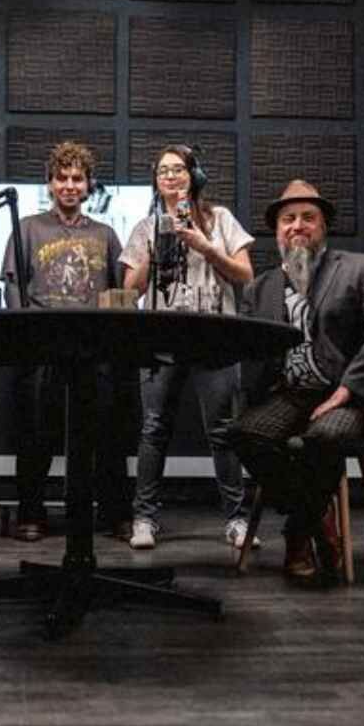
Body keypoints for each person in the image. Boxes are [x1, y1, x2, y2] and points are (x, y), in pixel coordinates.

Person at [233, 179, 364, 588]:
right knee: (244, 434)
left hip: (341, 393)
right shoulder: (259, 288)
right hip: (288, 394)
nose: (297, 226)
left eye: (308, 218)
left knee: (324, 439)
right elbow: (247, 346)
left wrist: (349, 389)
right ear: (277, 231)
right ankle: (316, 519)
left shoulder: (358, 268)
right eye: (288, 219)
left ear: (323, 226)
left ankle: (297, 537)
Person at [119, 145, 256, 550]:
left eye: (178, 169)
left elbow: (245, 275)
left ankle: (237, 520)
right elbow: (130, 291)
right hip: (161, 340)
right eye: (163, 171)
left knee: (223, 431)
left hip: (215, 337)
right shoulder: (145, 227)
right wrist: (154, 250)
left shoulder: (220, 220)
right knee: (154, 428)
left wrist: (206, 246)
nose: (170, 176)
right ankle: (144, 518)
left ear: (194, 176)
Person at [0, 140, 136, 542]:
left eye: (78, 178)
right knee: (35, 434)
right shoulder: (27, 228)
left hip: (95, 349)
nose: (70, 185)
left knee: (108, 434)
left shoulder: (106, 234)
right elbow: (12, 285)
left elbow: (121, 291)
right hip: (42, 346)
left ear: (89, 185)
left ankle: (115, 512)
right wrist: (23, 333)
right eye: (62, 178)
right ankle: (31, 512)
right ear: (50, 183)